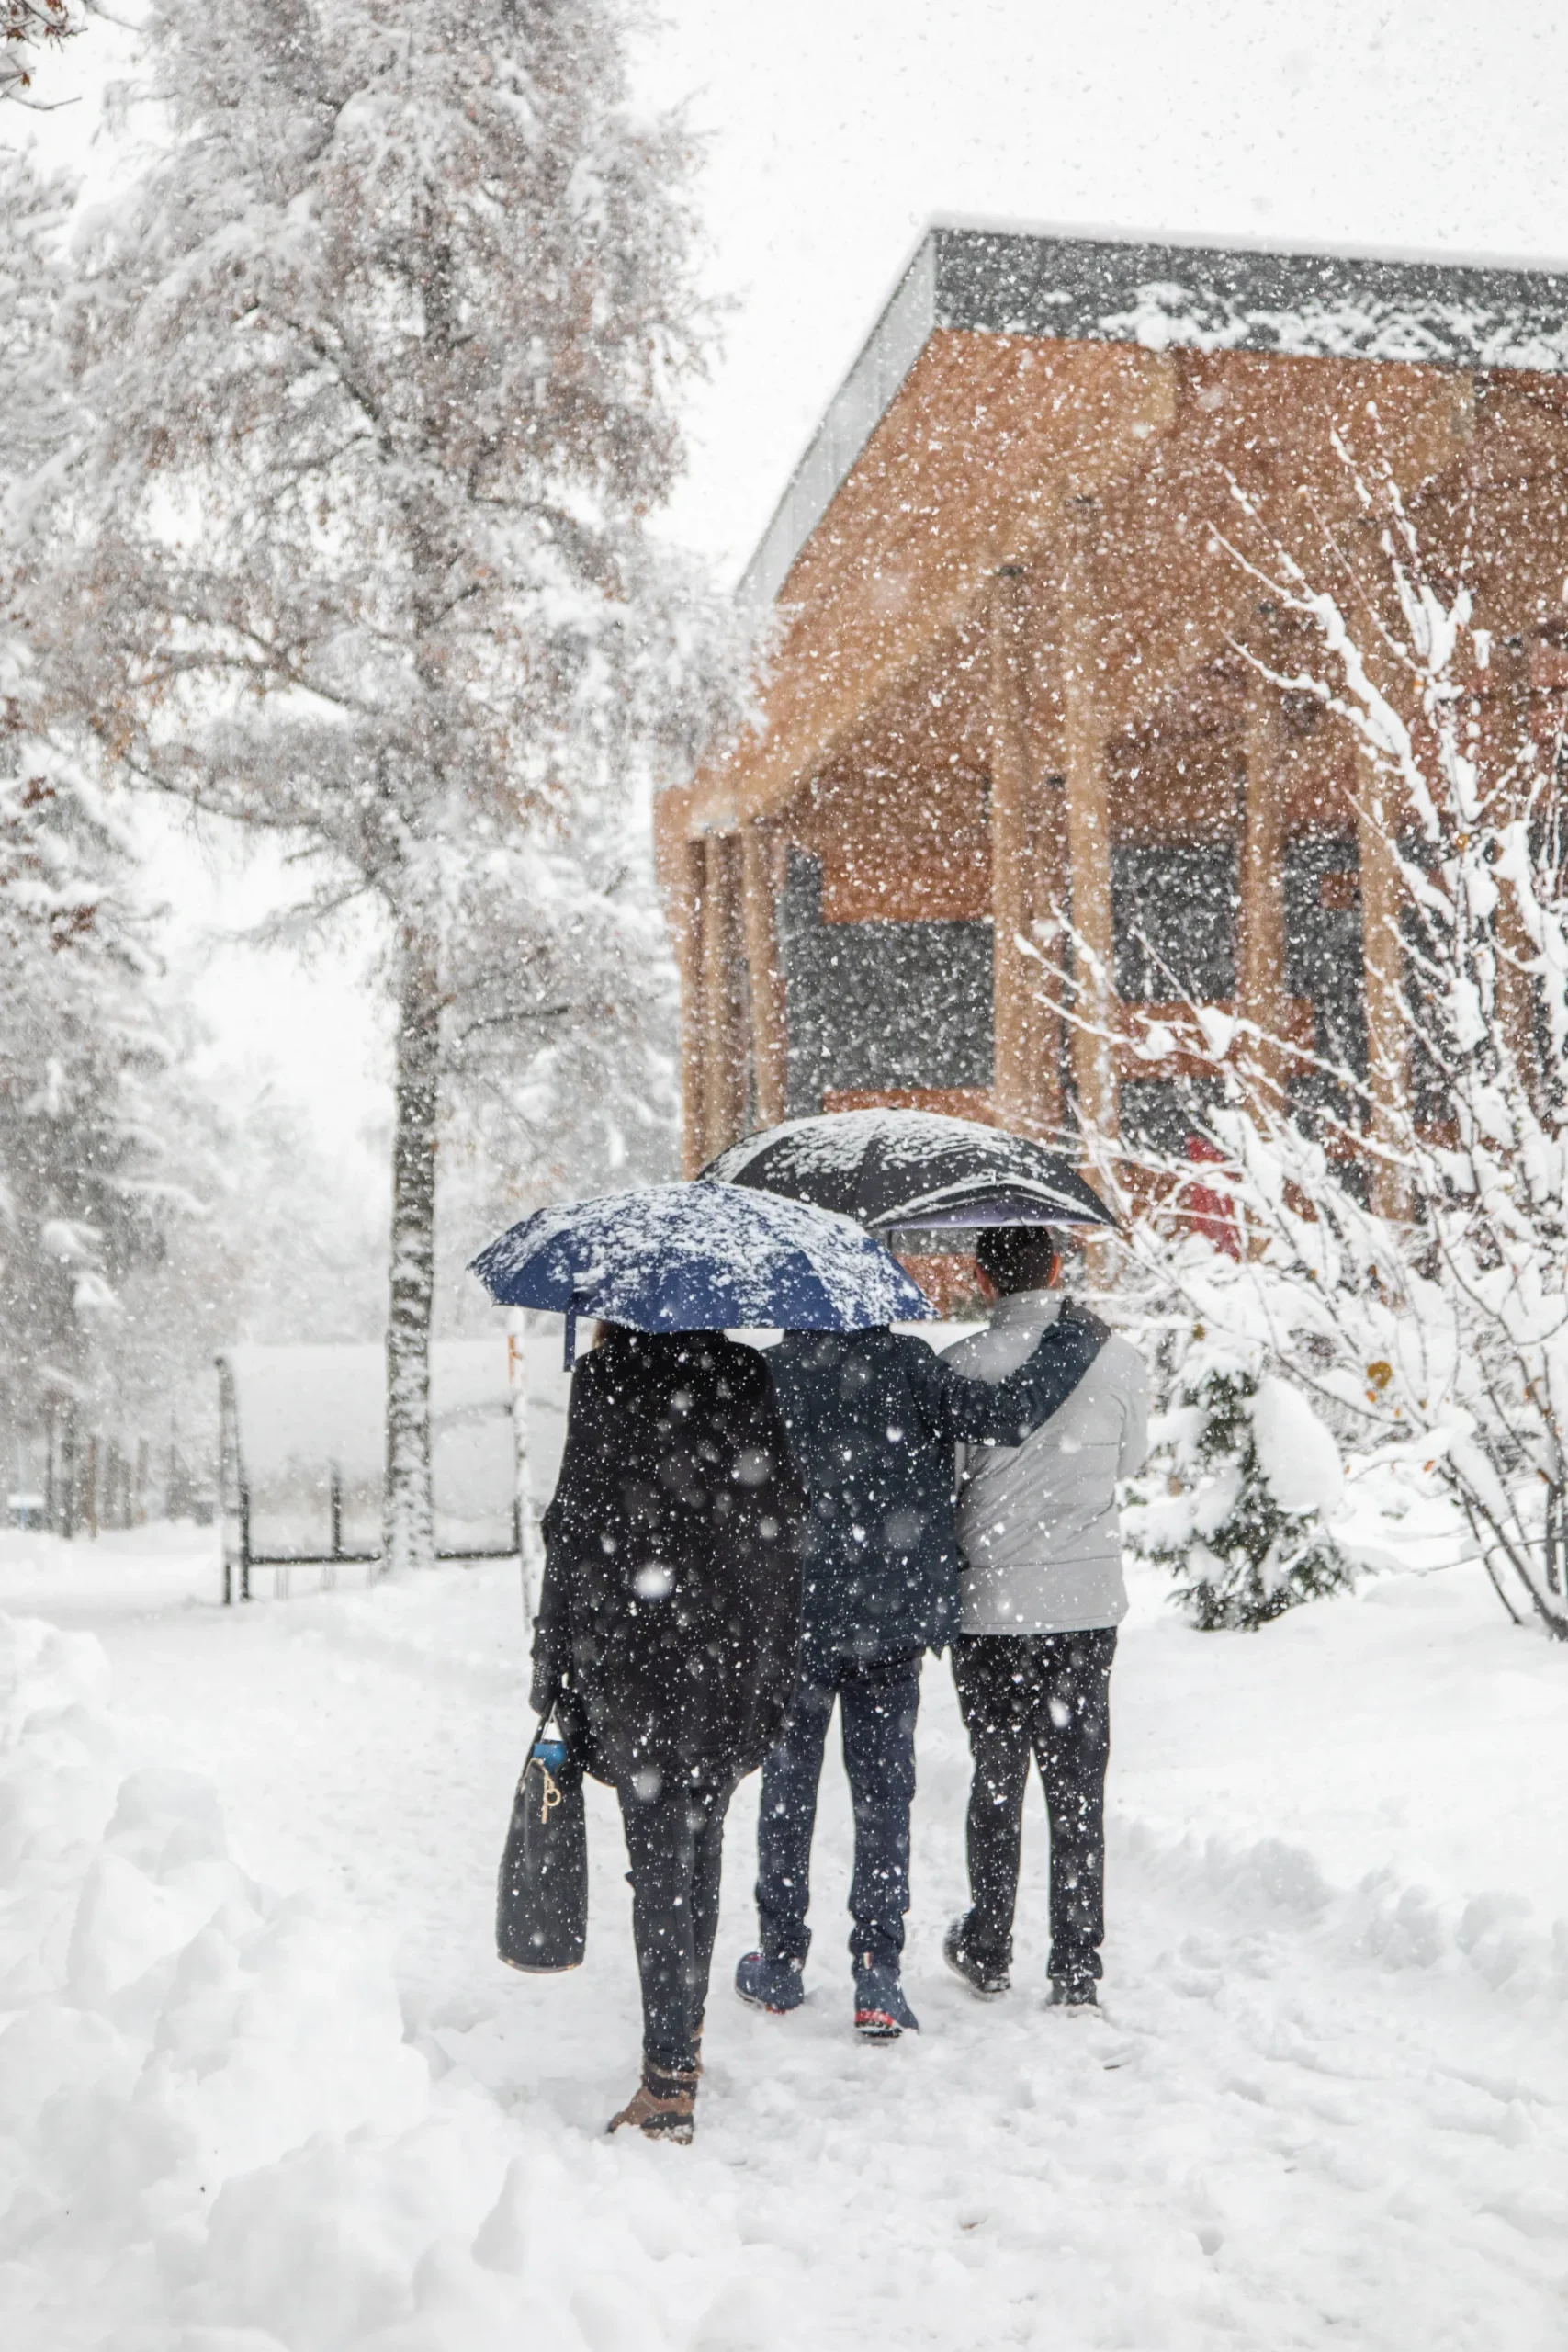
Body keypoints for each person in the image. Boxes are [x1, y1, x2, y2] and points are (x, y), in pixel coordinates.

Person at [733, 1297, 1108, 2038]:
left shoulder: (770, 1375)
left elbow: (736, 1492)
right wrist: (1070, 1339)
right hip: (891, 1619)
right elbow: (1010, 1412)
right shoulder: (908, 1365)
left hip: (793, 1618)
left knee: (786, 1791)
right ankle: (877, 1970)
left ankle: (779, 1960)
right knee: (883, 1797)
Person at [532, 1322, 804, 2143]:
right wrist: (773, 1645)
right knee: (701, 1840)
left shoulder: (605, 1377)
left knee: (658, 1861)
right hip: (727, 1651)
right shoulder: (745, 1372)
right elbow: (781, 1519)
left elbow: (573, 1529)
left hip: (637, 1655)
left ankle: (667, 2082)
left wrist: (552, 1655)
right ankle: (681, 2039)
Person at [941, 1226, 1149, 2010]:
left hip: (992, 1608)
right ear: (1057, 1268)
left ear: (980, 1277)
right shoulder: (1117, 1361)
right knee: (1076, 1788)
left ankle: (988, 1945)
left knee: (996, 1780)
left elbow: (946, 1481)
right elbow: (1129, 1463)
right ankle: (1075, 1965)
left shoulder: (959, 1367)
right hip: (1085, 1607)